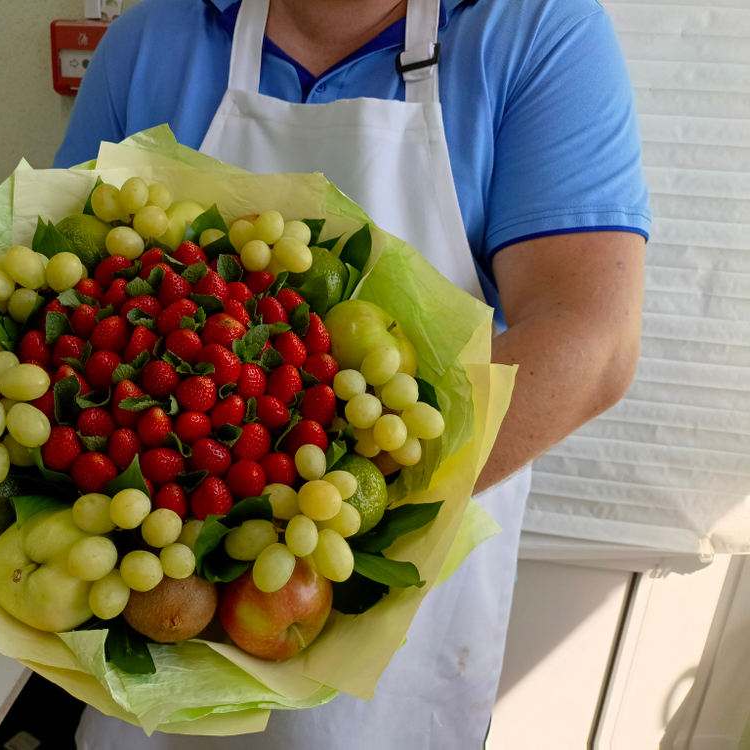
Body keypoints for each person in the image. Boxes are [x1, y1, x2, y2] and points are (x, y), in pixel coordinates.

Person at [54, 0, 649, 746]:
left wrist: (334, 523)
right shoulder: (152, 40)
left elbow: (589, 341)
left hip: (386, 600)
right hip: (160, 592)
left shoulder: (531, 30)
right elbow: (71, 296)